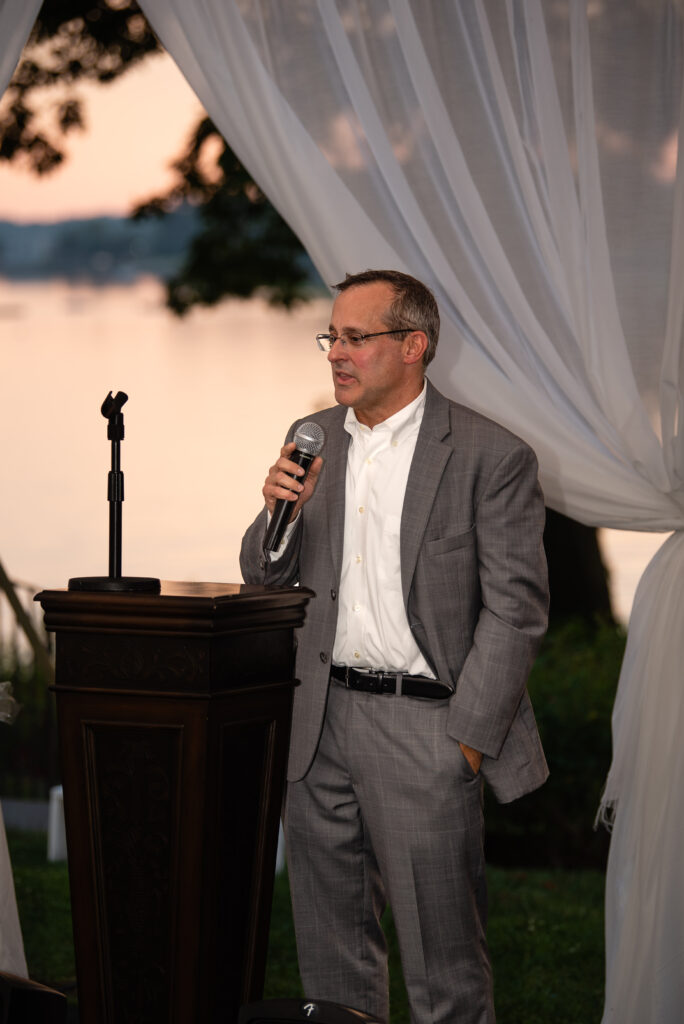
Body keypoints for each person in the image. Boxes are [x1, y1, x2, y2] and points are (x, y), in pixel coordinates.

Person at [240, 269, 549, 1024]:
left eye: (355, 338)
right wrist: (276, 513)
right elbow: (262, 577)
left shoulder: (489, 455)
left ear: (414, 345)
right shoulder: (311, 441)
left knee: (446, 974)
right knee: (332, 966)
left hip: (428, 730)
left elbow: (517, 613)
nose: (336, 355)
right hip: (318, 726)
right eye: (331, 338)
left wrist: (466, 742)